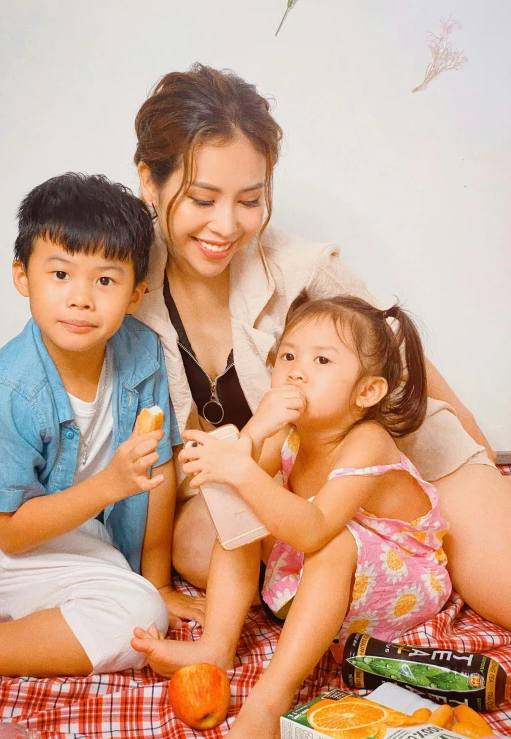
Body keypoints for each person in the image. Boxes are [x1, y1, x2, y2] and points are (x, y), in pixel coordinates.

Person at [133, 63, 511, 630]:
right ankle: (392, 576)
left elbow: (406, 362)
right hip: (271, 489)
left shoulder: (302, 266)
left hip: (385, 464)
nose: (227, 225)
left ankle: (419, 558)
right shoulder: (119, 285)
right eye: (202, 198)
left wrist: (481, 467)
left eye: (250, 200)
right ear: (149, 182)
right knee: (201, 548)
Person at [132, 292, 454, 737]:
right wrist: (256, 430)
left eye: (322, 361)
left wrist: (243, 467)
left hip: (401, 580)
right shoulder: (289, 425)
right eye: (287, 355)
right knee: (240, 510)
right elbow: (241, 487)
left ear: (367, 392)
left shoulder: (368, 441)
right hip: (322, 568)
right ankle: (217, 647)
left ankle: (271, 700)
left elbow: (316, 529)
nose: (296, 370)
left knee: (331, 540)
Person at [0, 172, 204, 678]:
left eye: (105, 280)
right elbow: (8, 535)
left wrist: (156, 583)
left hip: (64, 540)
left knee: (140, 619)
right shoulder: (7, 388)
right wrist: (110, 485)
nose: (81, 298)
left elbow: (156, 473)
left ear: (135, 294)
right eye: (61, 275)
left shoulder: (142, 357)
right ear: (23, 276)